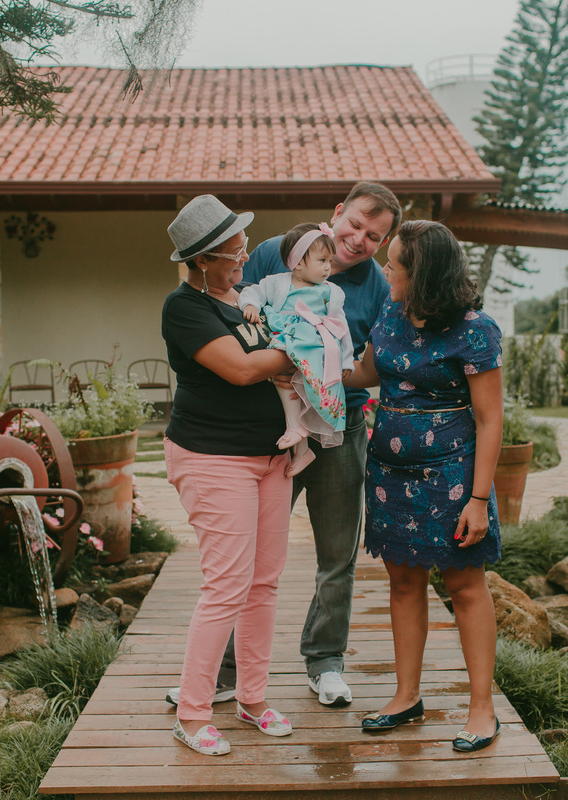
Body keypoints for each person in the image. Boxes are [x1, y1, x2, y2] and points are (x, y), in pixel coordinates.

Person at [237, 182, 402, 706]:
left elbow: (372, 364)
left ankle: (325, 660)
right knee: (248, 551)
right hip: (274, 425)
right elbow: (236, 318)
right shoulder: (274, 251)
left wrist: (326, 377)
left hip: (343, 428)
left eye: (374, 236)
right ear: (337, 213)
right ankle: (222, 669)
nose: (359, 240)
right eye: (355, 224)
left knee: (338, 552)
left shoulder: (376, 285)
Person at [347, 220, 504, 752]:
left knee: (463, 586)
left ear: (422, 274)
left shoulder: (475, 329)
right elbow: (365, 373)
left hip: (454, 476)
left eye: (394, 264)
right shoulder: (391, 311)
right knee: (403, 582)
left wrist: (479, 499)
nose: (385, 269)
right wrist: (303, 366)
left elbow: (490, 420)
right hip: (390, 475)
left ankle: (481, 709)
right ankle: (406, 696)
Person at [161, 195, 296, 756]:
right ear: (199, 260)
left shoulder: (245, 301)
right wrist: (300, 352)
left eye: (242, 246)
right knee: (226, 586)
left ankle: (252, 699)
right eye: (231, 252)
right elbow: (241, 370)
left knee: (263, 585)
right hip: (213, 459)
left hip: (271, 458)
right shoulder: (183, 308)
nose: (243, 257)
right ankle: (192, 713)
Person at [239, 222, 354, 477]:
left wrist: (346, 361)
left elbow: (340, 327)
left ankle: (296, 431)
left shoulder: (331, 293)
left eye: (330, 260)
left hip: (315, 349)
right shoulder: (278, 283)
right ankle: (302, 450)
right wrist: (251, 305)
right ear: (298, 262)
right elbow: (252, 291)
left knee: (301, 389)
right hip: (290, 343)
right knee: (286, 382)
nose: (328, 267)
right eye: (322, 260)